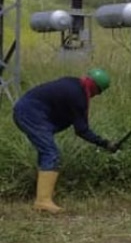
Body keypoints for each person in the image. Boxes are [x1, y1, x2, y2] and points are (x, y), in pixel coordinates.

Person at [12, 68, 117, 213]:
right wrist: (104, 143)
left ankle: (44, 194)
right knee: (50, 152)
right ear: (95, 89)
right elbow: (82, 130)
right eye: (97, 93)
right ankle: (43, 201)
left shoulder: (72, 84)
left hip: (26, 109)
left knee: (46, 152)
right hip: (31, 113)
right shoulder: (78, 96)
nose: (94, 96)